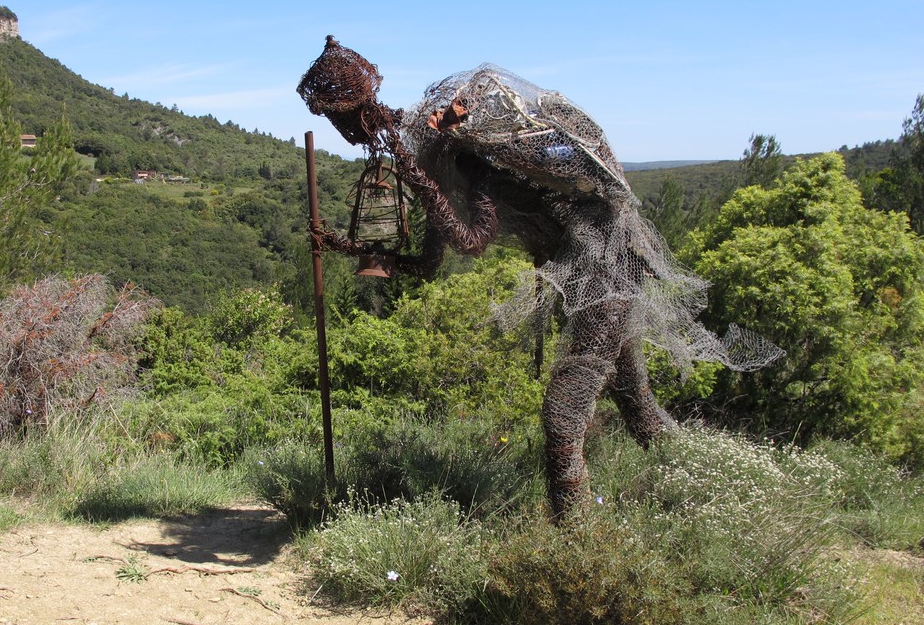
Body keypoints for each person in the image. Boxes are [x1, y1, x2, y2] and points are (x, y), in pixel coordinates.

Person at [299, 37, 779, 517]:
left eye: (338, 120)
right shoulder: (431, 153)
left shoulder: (452, 148)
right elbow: (428, 264)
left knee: (564, 413)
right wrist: (352, 248)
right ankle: (709, 493)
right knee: (639, 405)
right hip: (591, 275)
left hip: (604, 269)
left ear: (354, 114)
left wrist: (420, 180)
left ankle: (580, 547)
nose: (342, 131)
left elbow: (472, 240)